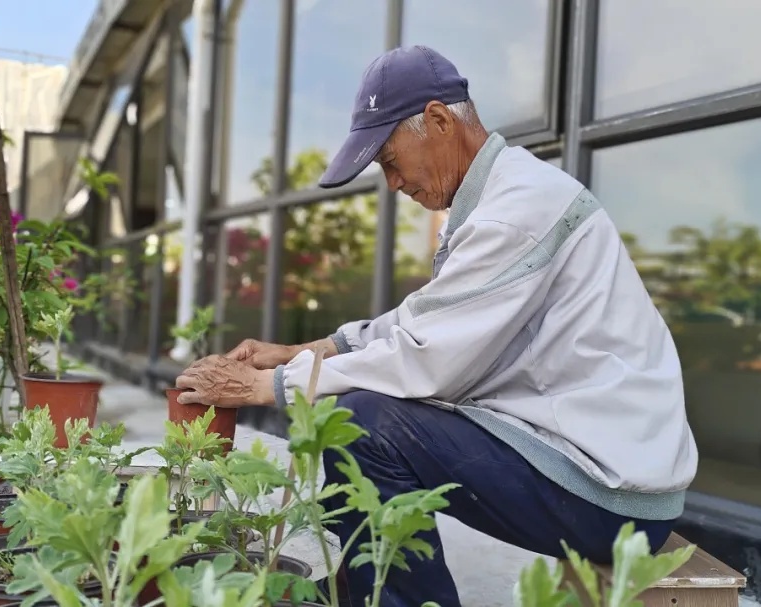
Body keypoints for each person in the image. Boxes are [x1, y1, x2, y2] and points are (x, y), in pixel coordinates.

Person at [175, 45, 698, 607]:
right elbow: (428, 317)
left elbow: (427, 357)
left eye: (390, 160)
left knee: (365, 426)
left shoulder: (514, 211)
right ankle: (366, 587)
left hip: (606, 495)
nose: (393, 183)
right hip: (588, 464)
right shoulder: (498, 197)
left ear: (441, 121)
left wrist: (268, 388)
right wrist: (308, 349)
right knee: (365, 419)